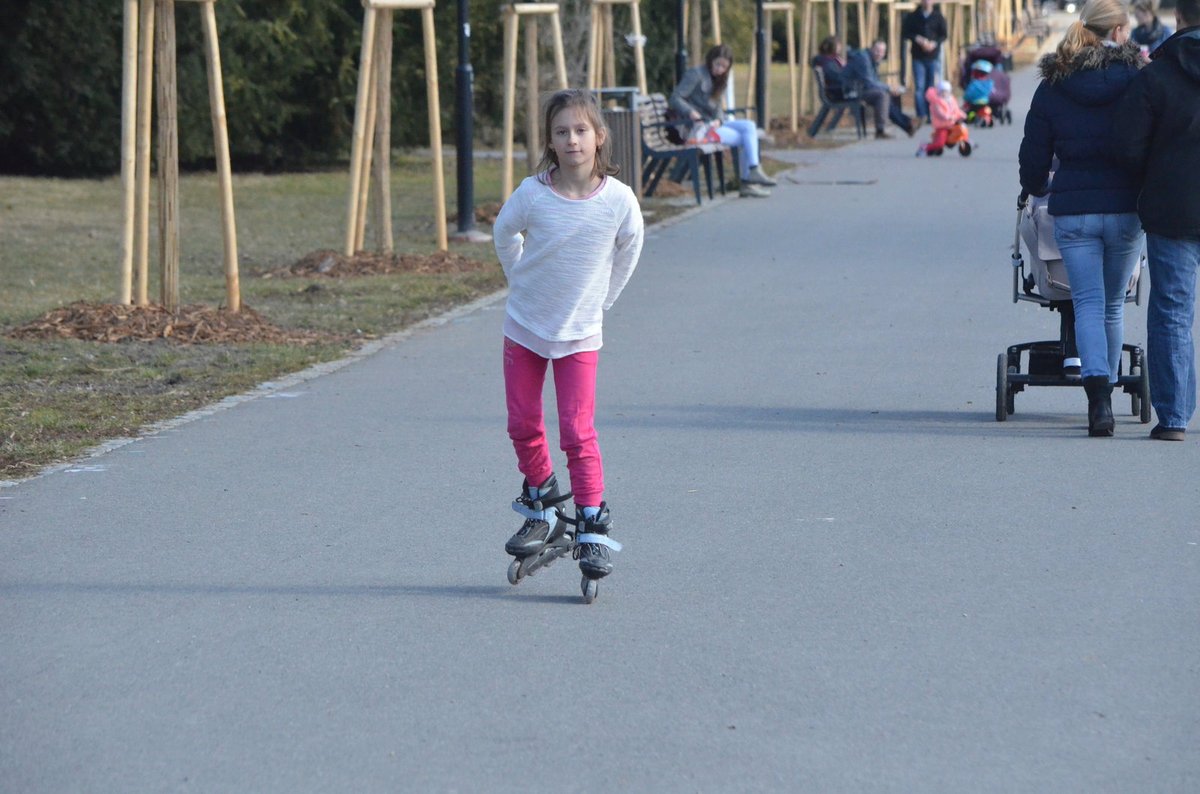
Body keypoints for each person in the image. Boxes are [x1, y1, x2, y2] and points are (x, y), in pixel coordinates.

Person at [493, 89, 644, 585]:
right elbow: (504, 233)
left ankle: (591, 526)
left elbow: (629, 249)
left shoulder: (618, 200)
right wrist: (520, 280)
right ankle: (543, 504)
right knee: (523, 423)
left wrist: (603, 300)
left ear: (599, 137)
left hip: (580, 333)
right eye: (561, 132)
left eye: (581, 130)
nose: (572, 139)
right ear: (550, 142)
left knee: (578, 433)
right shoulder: (533, 193)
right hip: (526, 328)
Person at [1018, 0, 1144, 436]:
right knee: (1112, 306)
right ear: (1121, 32)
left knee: (1086, 304)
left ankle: (1099, 406)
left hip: (1073, 209)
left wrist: (1035, 186)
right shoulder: (1137, 80)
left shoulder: (1055, 84)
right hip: (1127, 207)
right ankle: (1106, 386)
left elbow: (1034, 152)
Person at [1113, 0, 1200, 440]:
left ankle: (1175, 418)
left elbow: (1128, 147)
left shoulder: (1156, 75)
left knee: (1172, 312)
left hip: (1174, 208)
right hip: (1175, 206)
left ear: (1178, 17)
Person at [670, 44, 777, 198]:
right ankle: (747, 181)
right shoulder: (696, 74)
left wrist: (719, 121)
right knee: (745, 138)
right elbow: (675, 98)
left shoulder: (720, 79)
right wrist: (691, 112)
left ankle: (753, 170)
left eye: (724, 67)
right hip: (697, 127)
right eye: (717, 64)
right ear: (711, 60)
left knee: (749, 126)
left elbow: (718, 106)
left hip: (712, 124)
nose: (720, 69)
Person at [843, 39, 923, 138]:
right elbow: (869, 82)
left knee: (885, 94)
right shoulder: (863, 59)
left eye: (882, 51)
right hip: (850, 91)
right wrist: (889, 88)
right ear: (871, 48)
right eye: (877, 50)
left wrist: (890, 88)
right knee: (882, 95)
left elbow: (872, 82)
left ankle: (908, 125)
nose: (879, 54)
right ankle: (882, 130)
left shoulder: (870, 59)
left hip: (860, 89)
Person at [901, 0, 949, 121]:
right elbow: (905, 33)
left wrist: (934, 43)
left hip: (933, 56)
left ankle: (931, 113)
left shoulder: (938, 17)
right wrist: (917, 39)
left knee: (931, 87)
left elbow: (943, 35)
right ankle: (921, 114)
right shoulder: (913, 16)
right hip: (918, 56)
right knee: (919, 87)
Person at [917, 79, 968, 155]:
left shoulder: (951, 100)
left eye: (946, 92)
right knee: (940, 143)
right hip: (942, 126)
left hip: (952, 124)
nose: (945, 94)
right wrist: (948, 117)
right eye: (942, 91)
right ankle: (925, 147)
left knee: (961, 130)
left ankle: (966, 142)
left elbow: (956, 110)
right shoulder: (936, 102)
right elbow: (940, 113)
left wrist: (962, 114)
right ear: (939, 92)